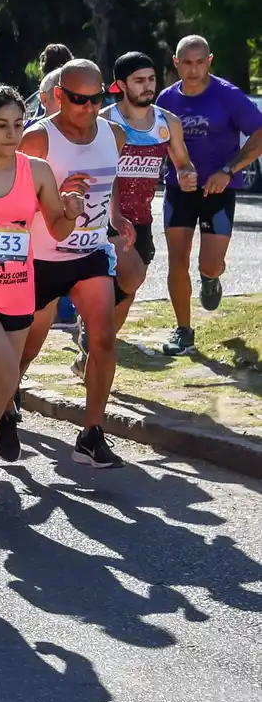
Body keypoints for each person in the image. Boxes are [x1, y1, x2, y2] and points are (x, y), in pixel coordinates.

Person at [0, 86, 86, 500]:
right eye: (0, 125)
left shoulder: (37, 171)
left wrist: (72, 212)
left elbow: (58, 229)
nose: (12, 133)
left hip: (19, 290)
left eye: (18, 124)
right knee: (6, 374)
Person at [15, 60, 136, 468]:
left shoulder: (113, 133)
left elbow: (111, 177)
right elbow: (12, 197)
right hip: (41, 256)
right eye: (79, 99)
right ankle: (7, 394)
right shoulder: (37, 139)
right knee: (30, 343)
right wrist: (55, 195)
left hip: (90, 253)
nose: (88, 107)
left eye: (96, 99)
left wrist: (116, 216)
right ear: (60, 96)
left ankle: (91, 433)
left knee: (102, 338)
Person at [156, 35, 262, 354]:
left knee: (210, 263)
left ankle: (210, 276)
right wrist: (174, 170)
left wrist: (228, 171)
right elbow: (154, 142)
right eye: (187, 63)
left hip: (219, 188)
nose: (193, 69)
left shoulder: (227, 95)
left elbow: (259, 133)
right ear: (176, 63)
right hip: (179, 189)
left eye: (200, 62)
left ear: (209, 61)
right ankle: (183, 330)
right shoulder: (166, 99)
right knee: (177, 259)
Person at [102, 52, 196, 340]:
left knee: (129, 289)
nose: (148, 86)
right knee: (129, 277)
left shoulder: (168, 122)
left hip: (141, 217)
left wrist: (187, 174)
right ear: (121, 84)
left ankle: (94, 345)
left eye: (151, 79)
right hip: (105, 217)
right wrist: (113, 214)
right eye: (139, 81)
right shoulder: (106, 120)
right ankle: (94, 332)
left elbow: (183, 162)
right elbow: (99, 170)